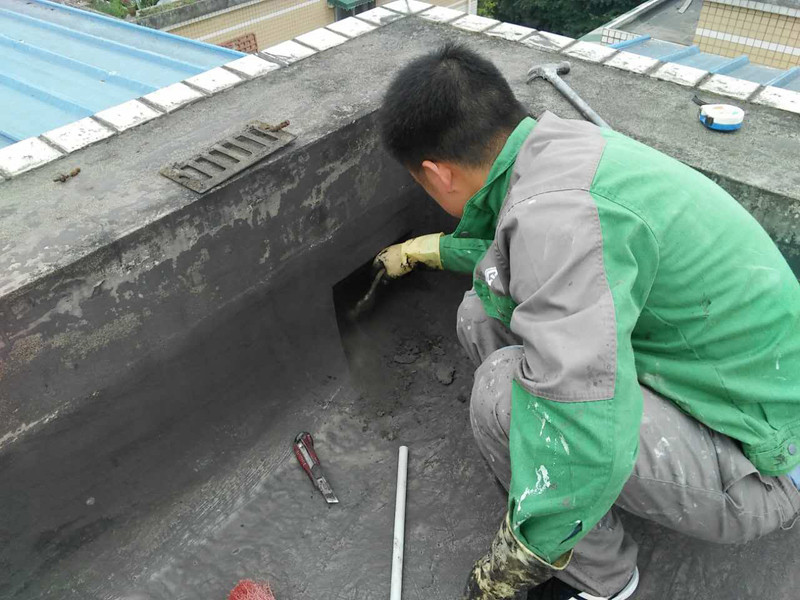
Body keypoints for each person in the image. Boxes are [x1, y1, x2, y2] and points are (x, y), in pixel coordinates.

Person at [374, 42, 800, 600]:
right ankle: (559, 484)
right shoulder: (560, 150)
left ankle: (603, 582)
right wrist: (433, 249)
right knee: (482, 311)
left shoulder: (556, 216)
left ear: (436, 173)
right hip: (728, 385)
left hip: (766, 462)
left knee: (501, 393)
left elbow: (581, 419)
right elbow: (518, 248)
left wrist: (510, 567)